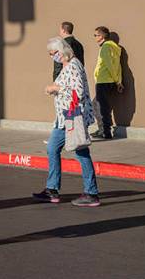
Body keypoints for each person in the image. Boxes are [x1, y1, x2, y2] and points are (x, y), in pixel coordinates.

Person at [33, 37, 100, 206]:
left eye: (53, 53)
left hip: (73, 117)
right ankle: (52, 189)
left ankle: (91, 193)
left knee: (81, 152)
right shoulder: (67, 66)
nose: (52, 57)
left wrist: (56, 88)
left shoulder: (74, 65)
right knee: (52, 148)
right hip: (64, 118)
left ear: (62, 51)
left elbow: (78, 90)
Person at [92, 25, 123, 139]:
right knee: (99, 105)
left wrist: (116, 80)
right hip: (110, 81)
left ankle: (105, 131)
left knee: (100, 106)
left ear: (101, 36)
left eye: (95, 35)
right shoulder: (115, 48)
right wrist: (118, 81)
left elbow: (110, 65)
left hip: (103, 80)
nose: (94, 37)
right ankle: (103, 129)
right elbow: (117, 66)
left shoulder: (105, 47)